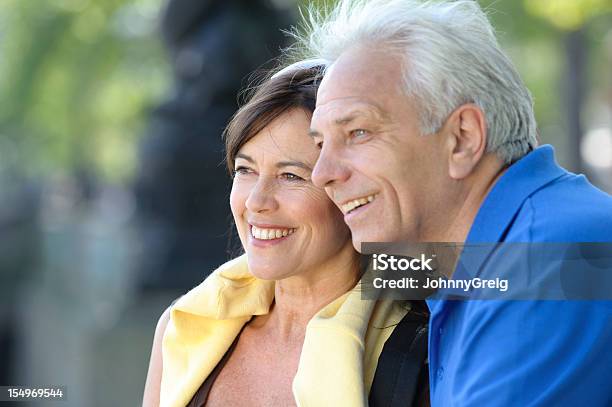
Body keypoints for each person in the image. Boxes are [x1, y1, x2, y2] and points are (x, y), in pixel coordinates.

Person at [292, 0, 612, 406]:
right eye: (320, 144)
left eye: (357, 132)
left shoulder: (551, 257)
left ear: (462, 137)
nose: (322, 174)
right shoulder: (468, 255)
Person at [142, 63, 428, 407]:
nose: (256, 201)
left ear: (352, 194)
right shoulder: (187, 325)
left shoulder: (417, 348)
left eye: (291, 176)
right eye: (246, 169)